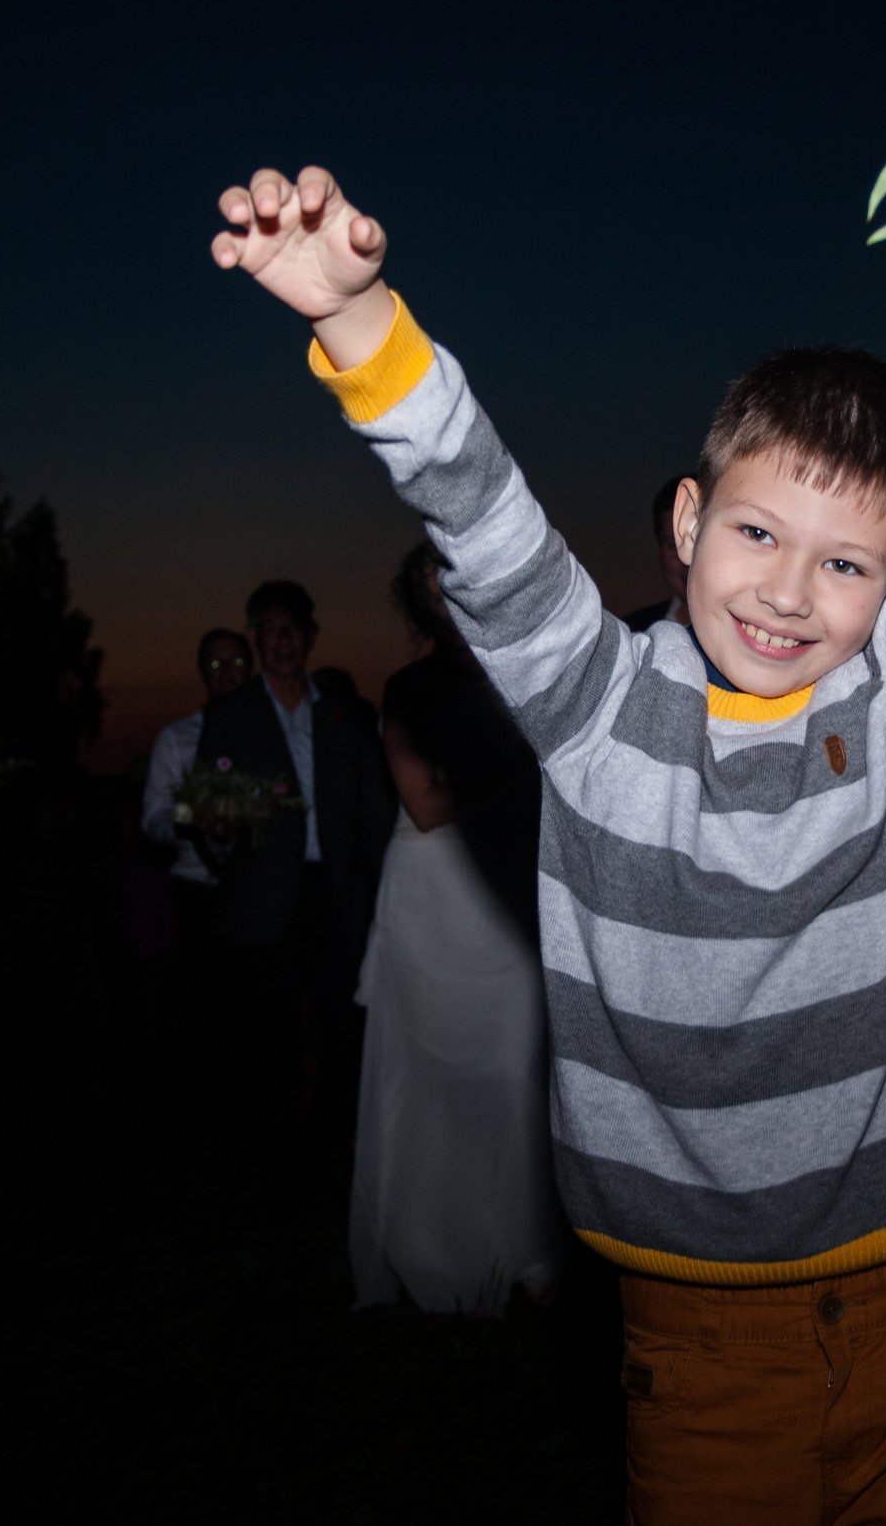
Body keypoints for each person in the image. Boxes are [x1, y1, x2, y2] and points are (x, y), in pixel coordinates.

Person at [211, 139, 886, 1523]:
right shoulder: (594, 705)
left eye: (847, 562)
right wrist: (358, 320)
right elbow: (479, 510)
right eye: (758, 534)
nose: (790, 591)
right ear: (689, 524)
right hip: (699, 1349)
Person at [348, 540, 561, 1315]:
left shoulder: (523, 667)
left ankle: (524, 1246)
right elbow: (425, 805)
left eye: (456, 580)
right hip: (435, 893)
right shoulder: (409, 686)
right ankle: (436, 1247)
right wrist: (520, 768)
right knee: (433, 1078)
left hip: (508, 884)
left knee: (516, 1070)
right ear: (420, 602)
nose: (447, 595)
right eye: (431, 587)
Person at [195, 579, 394, 1164]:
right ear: (255, 637)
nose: (283, 641)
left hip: (336, 898)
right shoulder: (230, 715)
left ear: (311, 637)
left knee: (344, 1028)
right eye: (271, 630)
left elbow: (376, 815)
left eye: (294, 629)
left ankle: (332, 1146)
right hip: (263, 902)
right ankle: (277, 1159)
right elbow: (209, 810)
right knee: (269, 1038)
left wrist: (386, 895)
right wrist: (218, 834)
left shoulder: (346, 714)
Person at [139, 627, 252, 1044]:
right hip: (198, 894)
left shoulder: (268, 736)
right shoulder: (176, 738)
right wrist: (194, 816)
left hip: (256, 891)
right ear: (202, 671)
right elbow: (154, 818)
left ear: (250, 669)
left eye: (236, 662)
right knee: (205, 1012)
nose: (226, 672)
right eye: (216, 663)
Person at [619, 473, 693, 632]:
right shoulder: (631, 635)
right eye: (673, 545)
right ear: (659, 550)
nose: (687, 559)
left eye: (698, 541)